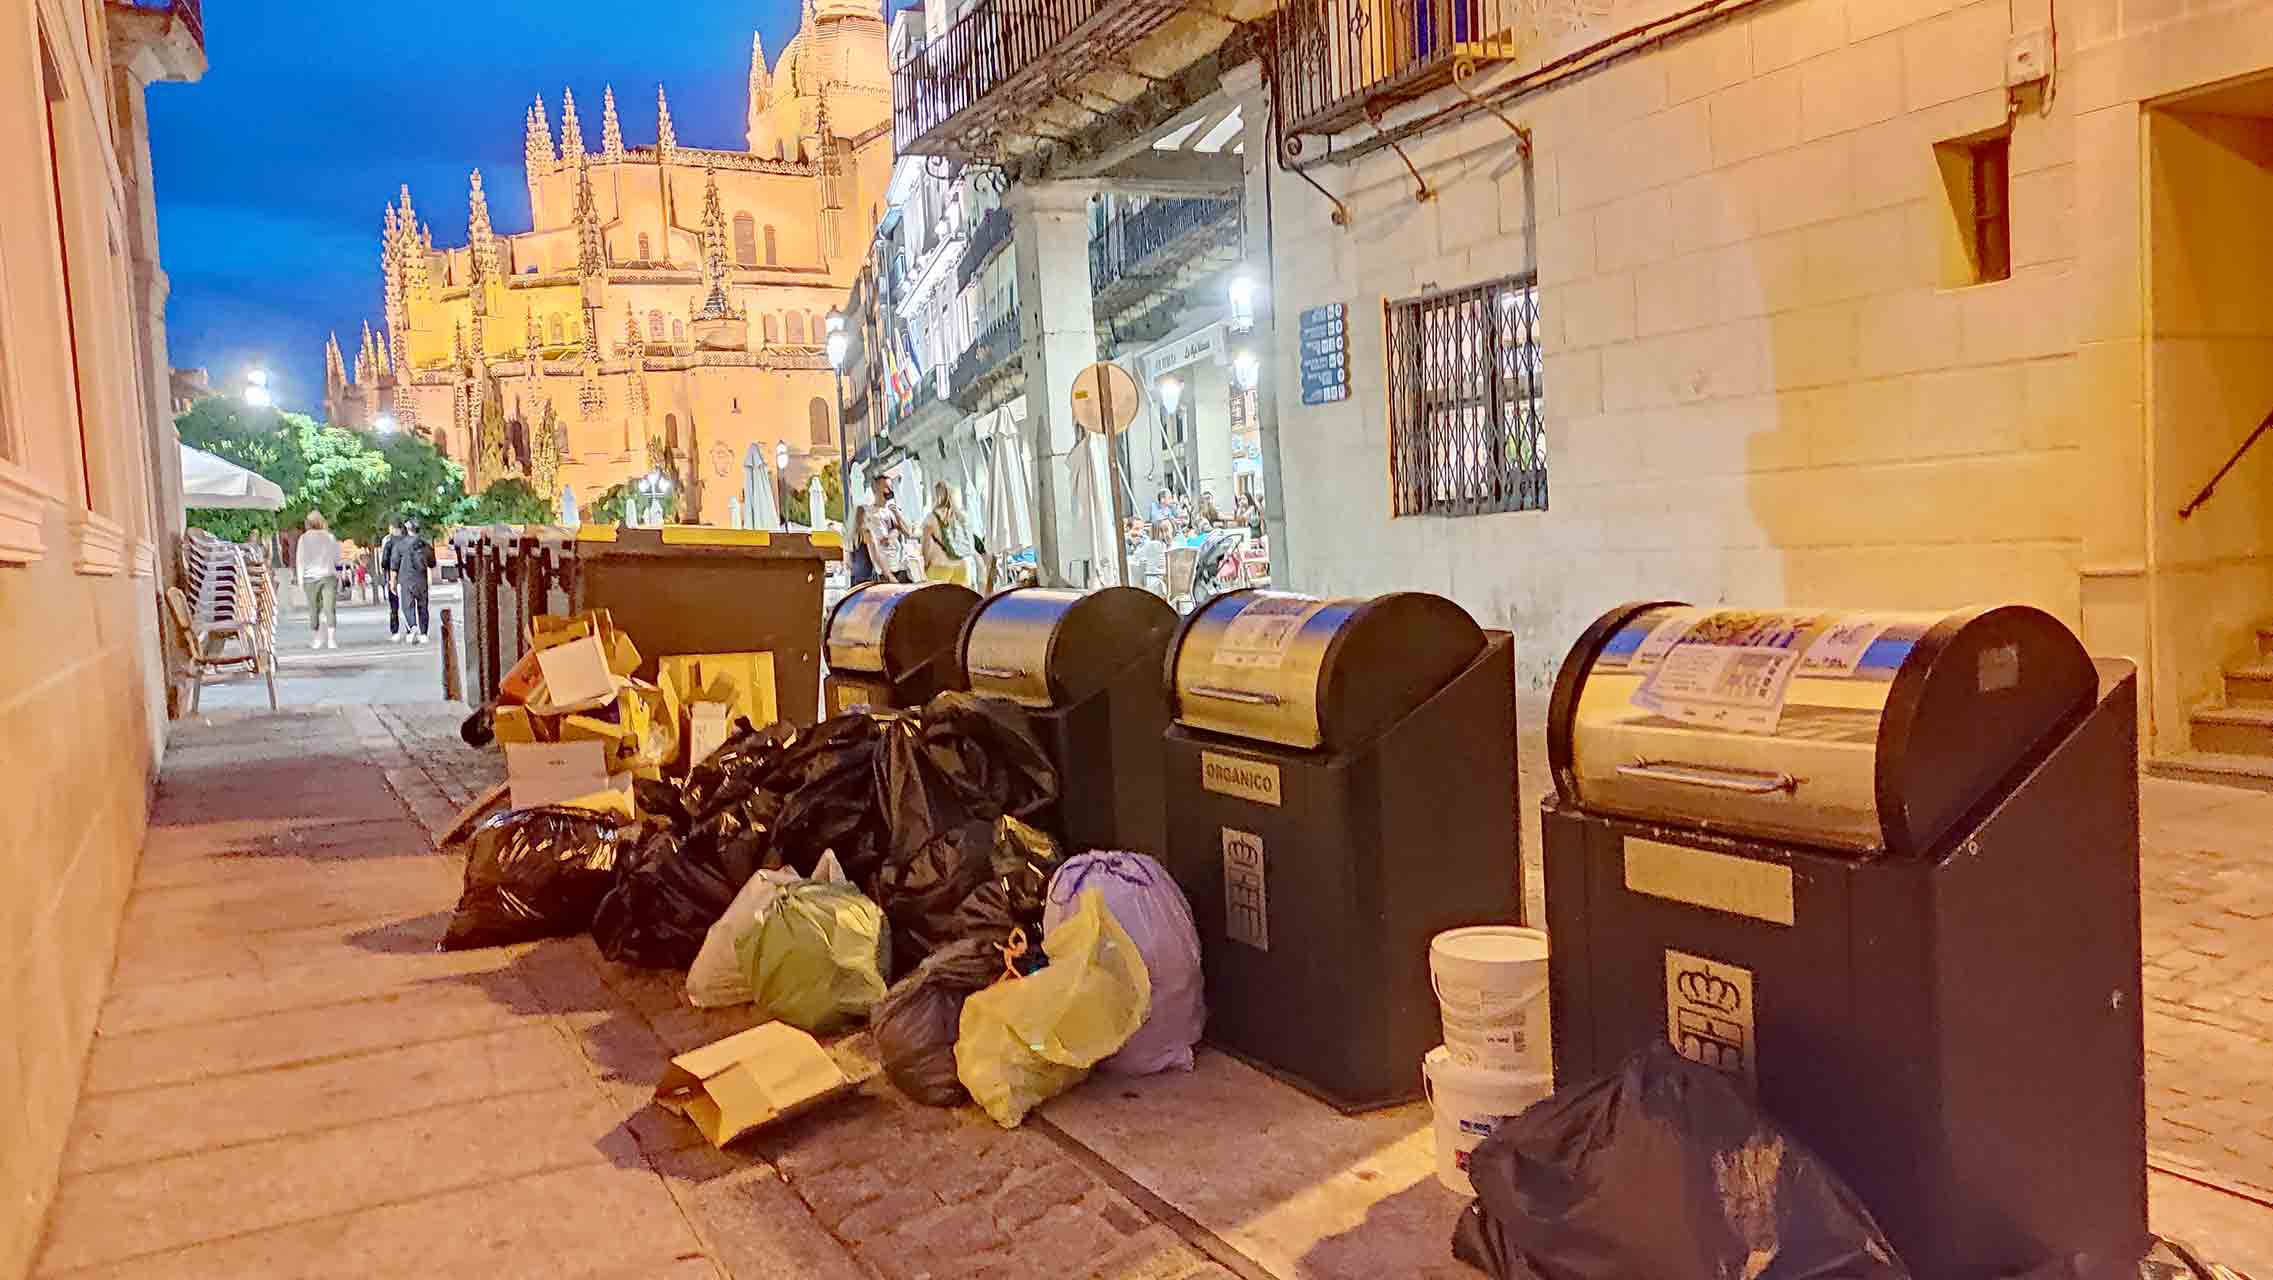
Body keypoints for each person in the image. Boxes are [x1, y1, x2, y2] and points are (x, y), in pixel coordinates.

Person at [296, 510, 343, 650]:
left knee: (313, 609)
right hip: (328, 576)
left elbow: (300, 560)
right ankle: (331, 640)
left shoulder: (303, 539)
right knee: (329, 608)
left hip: (310, 578)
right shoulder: (330, 537)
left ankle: (317, 639)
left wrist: (299, 579)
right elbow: (337, 558)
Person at [857, 472, 914, 585]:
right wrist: (887, 574)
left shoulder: (892, 510)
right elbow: (872, 544)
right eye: (886, 488)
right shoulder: (868, 512)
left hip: (901, 566)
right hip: (884, 570)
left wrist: (897, 515)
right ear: (875, 489)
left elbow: (908, 533)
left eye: (890, 488)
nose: (889, 491)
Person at [388, 517, 437, 645]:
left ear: (407, 529)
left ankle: (412, 626)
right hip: (421, 579)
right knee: (423, 606)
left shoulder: (399, 545)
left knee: (407, 606)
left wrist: (392, 582)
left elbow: (394, 566)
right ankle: (424, 633)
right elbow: (432, 563)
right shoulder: (425, 545)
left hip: (405, 580)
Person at [921, 482, 979, 587]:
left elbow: (926, 545)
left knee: (938, 602)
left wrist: (925, 564)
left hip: (940, 565)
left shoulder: (932, 517)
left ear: (937, 495)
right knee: (961, 601)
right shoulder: (962, 516)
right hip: (962, 565)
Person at [376, 519, 406, 639]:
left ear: (393, 528)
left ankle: (395, 631)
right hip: (406, 575)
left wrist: (384, 570)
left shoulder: (388, 541)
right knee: (408, 603)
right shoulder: (407, 540)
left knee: (394, 606)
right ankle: (410, 629)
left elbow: (384, 561)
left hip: (391, 574)